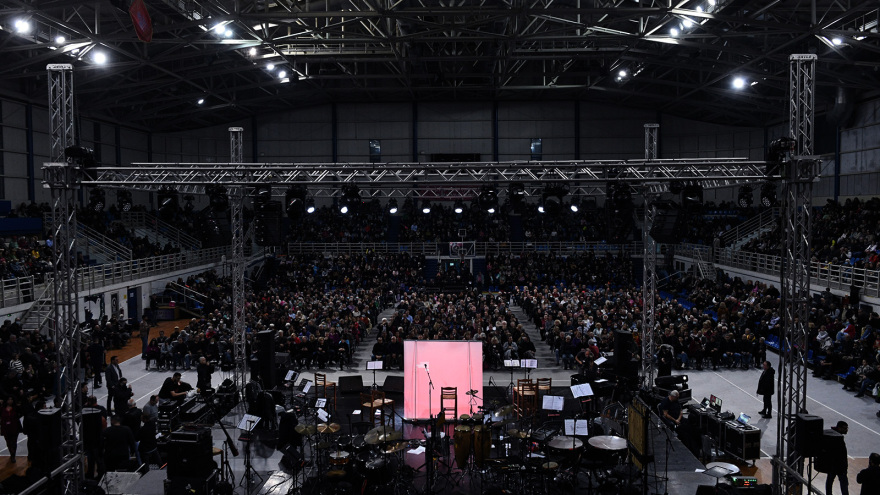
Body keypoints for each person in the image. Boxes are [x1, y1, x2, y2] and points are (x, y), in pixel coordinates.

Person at [826, 421, 849, 495]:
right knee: (843, 484)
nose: (846, 430)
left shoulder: (833, 435)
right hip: (839, 466)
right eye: (845, 428)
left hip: (833, 465)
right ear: (839, 428)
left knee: (829, 483)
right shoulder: (837, 439)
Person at [1, 397, 22, 463]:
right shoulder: (2, 409)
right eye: (9, 399)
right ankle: (11, 453)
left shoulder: (16, 408)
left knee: (14, 442)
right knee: (8, 443)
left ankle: (13, 455)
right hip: (5, 428)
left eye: (12, 399)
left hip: (14, 427)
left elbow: (20, 414)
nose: (10, 401)